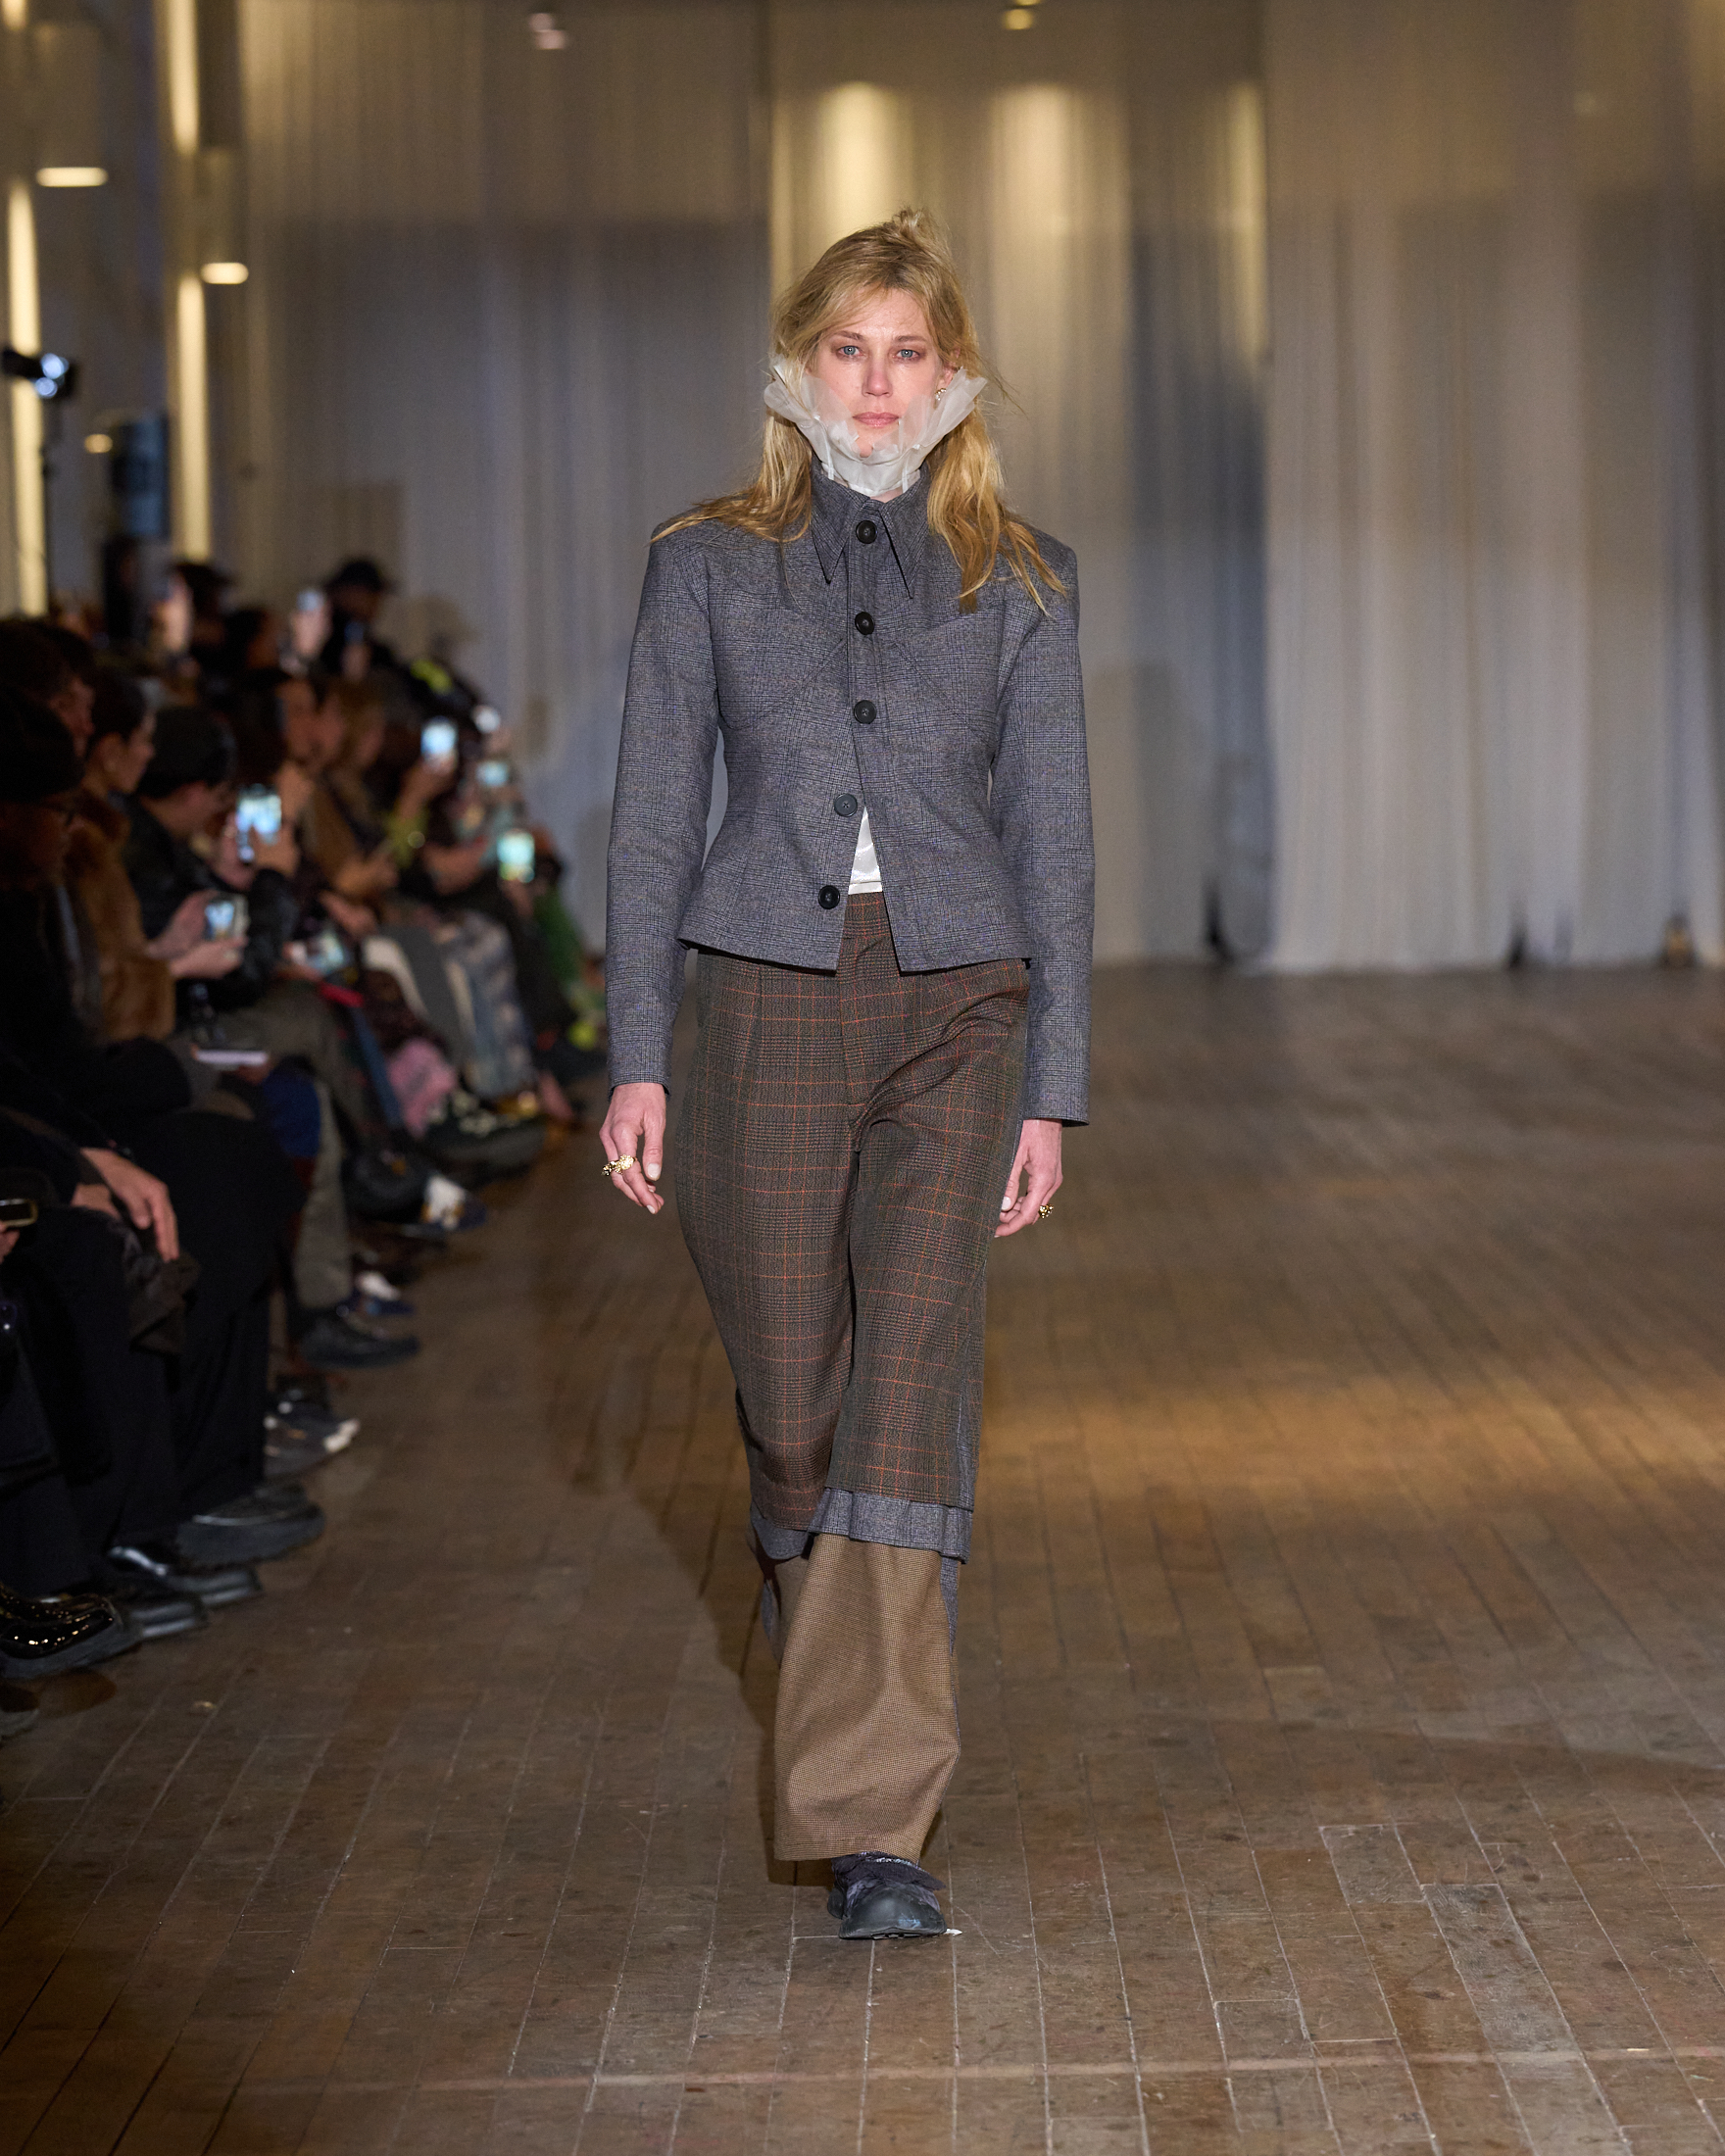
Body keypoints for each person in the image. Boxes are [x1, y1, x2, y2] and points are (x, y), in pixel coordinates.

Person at [601, 210, 1094, 1940]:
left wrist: (1055, 1086)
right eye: (848, 350)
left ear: (953, 374)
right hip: (762, 1001)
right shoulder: (705, 563)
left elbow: (1057, 842)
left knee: (909, 1397)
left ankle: (876, 1822)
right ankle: (823, 1655)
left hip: (961, 1006)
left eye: (909, 353)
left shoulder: (1021, 576)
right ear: (797, 364)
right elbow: (652, 820)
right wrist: (637, 1055)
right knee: (796, 1403)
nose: (878, 386)